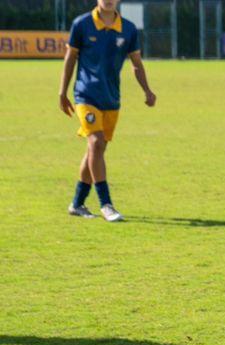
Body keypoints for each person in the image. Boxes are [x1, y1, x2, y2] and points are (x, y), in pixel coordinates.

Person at [59, 0, 156, 222]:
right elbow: (70, 58)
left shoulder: (128, 29)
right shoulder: (81, 24)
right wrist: (62, 92)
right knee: (95, 142)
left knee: (97, 149)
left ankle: (77, 203)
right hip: (85, 95)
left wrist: (147, 91)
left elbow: (136, 63)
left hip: (111, 98)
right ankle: (106, 204)